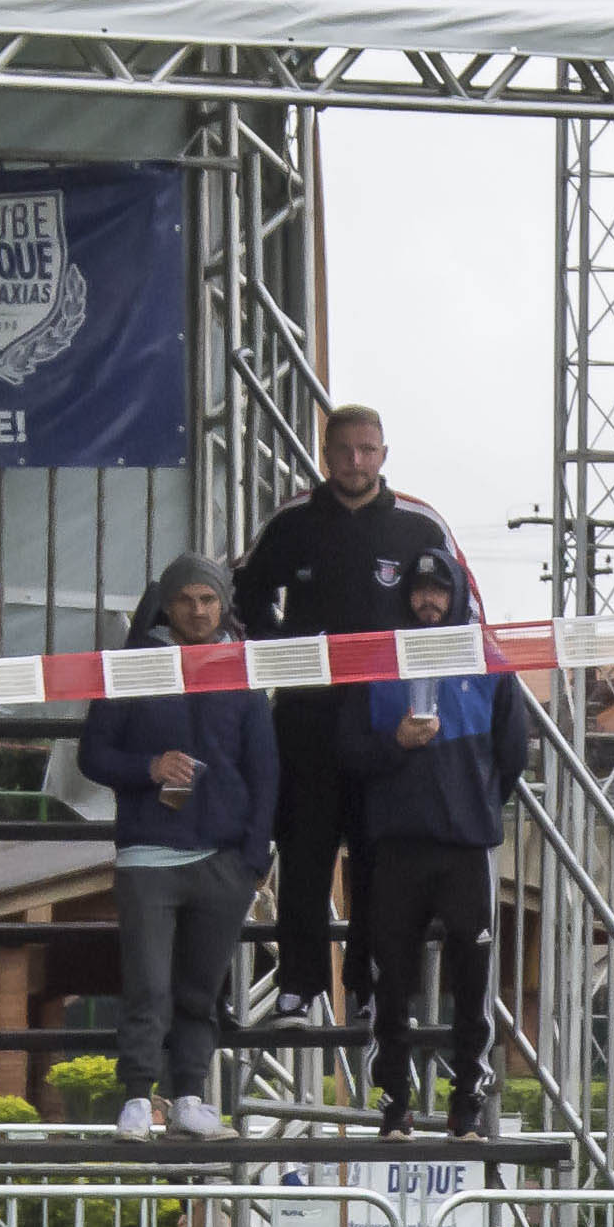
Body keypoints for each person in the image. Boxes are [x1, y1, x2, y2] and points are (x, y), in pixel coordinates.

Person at [233, 404, 478, 1032]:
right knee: (305, 853)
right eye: (343, 449)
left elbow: (463, 611)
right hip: (308, 719)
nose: (355, 461)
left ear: (384, 454)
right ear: (325, 452)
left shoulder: (418, 524)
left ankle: (366, 984)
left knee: (377, 859)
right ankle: (297, 988)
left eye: (368, 450)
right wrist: (279, 645)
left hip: (387, 724)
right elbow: (245, 594)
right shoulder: (291, 521)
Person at [84, 553, 275, 1139]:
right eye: (188, 599)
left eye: (209, 599)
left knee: (199, 990)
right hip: (148, 855)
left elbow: (265, 771)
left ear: (223, 605)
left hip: (223, 860)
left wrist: (252, 859)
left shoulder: (241, 671)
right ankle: (138, 1097)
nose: (198, 610)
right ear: (167, 604)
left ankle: (190, 1095)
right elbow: (91, 756)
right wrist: (148, 766)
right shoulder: (129, 665)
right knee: (148, 983)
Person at [337, 553, 516, 1137]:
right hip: (395, 847)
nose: (429, 601)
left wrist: (479, 804)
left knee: (473, 979)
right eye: (419, 591)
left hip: (466, 847)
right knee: (392, 981)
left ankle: (467, 1097)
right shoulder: (375, 662)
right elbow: (349, 754)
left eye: (440, 590)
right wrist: (395, 743)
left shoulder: (488, 659)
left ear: (458, 595)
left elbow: (514, 753)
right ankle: (395, 1101)